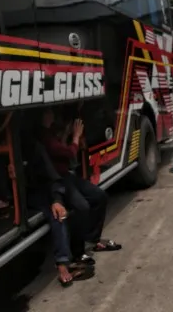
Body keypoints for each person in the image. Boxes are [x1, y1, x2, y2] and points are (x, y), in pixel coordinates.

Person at [39, 108, 122, 260]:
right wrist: (76, 137)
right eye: (49, 112)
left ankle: (94, 238)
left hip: (67, 176)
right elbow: (68, 153)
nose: (52, 114)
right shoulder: (43, 135)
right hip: (58, 179)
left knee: (100, 196)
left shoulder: (52, 131)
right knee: (82, 207)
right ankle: (78, 252)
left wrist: (67, 133)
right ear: (44, 116)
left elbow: (63, 147)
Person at [21, 121, 95, 287]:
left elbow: (52, 176)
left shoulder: (37, 148)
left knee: (59, 215)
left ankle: (63, 264)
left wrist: (56, 200)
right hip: (17, 195)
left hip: (39, 191)